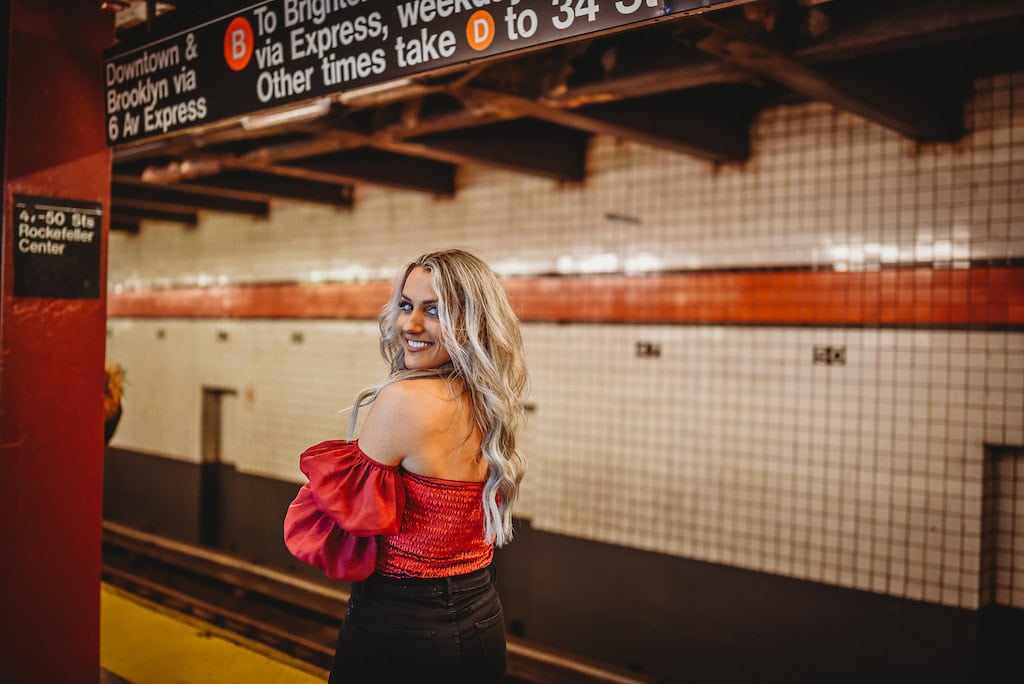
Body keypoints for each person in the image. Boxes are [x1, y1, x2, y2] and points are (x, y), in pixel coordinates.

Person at [284, 249, 529, 683]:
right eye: (405, 305)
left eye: (433, 311)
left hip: (402, 629)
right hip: (482, 618)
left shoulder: (403, 401)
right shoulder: (490, 405)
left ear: (470, 321)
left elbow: (332, 527)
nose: (410, 325)